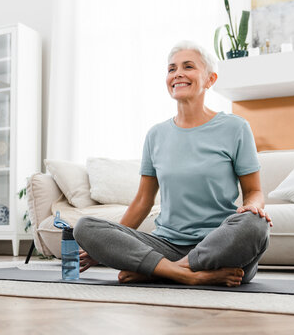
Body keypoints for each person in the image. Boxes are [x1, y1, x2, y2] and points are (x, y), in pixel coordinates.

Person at [73, 40, 272, 287]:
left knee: (256, 225)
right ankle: (187, 274)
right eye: (171, 69)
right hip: (166, 245)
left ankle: (161, 271)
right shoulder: (156, 135)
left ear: (210, 79)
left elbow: (254, 192)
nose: (178, 74)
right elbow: (143, 201)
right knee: (85, 227)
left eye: (188, 67)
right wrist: (110, 241)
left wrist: (252, 207)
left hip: (219, 246)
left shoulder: (236, 128)